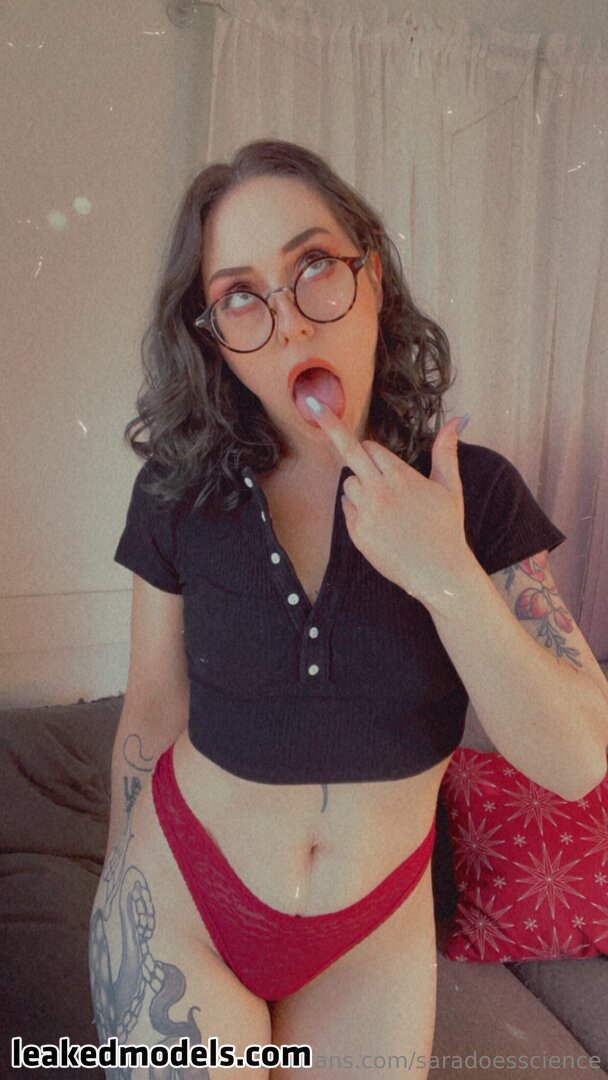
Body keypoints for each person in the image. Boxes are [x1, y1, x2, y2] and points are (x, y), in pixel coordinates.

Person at [89, 139, 608, 1079]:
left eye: (315, 266)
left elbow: (578, 761)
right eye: (240, 295)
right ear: (214, 337)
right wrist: (116, 888)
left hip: (370, 941)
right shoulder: (178, 491)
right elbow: (152, 712)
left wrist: (443, 570)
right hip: (182, 901)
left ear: (372, 277)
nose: (288, 321)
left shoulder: (473, 494)